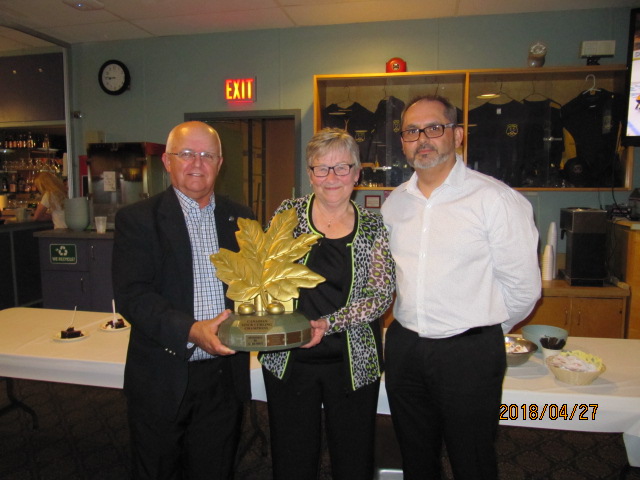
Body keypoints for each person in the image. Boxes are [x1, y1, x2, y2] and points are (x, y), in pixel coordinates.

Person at [381, 95, 541, 480]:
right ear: (402, 140)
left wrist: (480, 331)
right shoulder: (394, 203)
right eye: (411, 131)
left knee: (472, 458)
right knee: (415, 455)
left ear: (457, 135)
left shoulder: (495, 199)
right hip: (405, 348)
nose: (422, 139)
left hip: (469, 352)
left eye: (433, 128)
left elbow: (524, 289)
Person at [112, 121, 254, 480]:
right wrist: (192, 330)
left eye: (207, 155)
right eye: (186, 154)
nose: (197, 163)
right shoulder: (138, 220)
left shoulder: (243, 220)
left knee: (215, 470)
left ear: (220, 164)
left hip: (223, 380)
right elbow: (133, 295)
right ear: (167, 161)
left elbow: (255, 289)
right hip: (162, 376)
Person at [259, 128, 395, 480]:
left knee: (353, 459)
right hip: (289, 356)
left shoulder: (372, 227)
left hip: (353, 360)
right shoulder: (288, 215)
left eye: (341, 167)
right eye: (321, 168)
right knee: (292, 458)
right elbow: (264, 275)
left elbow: (380, 294)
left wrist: (326, 324)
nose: (331, 178)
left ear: (357, 173)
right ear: (309, 174)